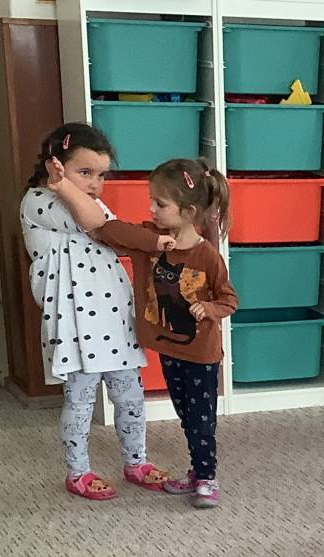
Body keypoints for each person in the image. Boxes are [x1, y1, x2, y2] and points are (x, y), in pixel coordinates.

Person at [52, 156, 239, 509]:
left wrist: (209, 308)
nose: (151, 208)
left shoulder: (207, 257)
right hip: (170, 349)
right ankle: (197, 473)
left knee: (201, 419)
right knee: (186, 415)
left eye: (160, 204)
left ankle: (207, 477)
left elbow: (229, 299)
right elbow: (110, 230)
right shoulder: (150, 239)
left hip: (200, 353)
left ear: (187, 212)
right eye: (151, 200)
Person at [20, 122, 171, 501]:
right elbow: (96, 223)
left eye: (101, 175)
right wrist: (60, 186)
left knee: (130, 397)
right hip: (75, 323)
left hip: (114, 318)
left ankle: (136, 461)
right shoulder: (38, 201)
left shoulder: (86, 202)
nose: (94, 183)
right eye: (85, 172)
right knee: (80, 401)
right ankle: (78, 472)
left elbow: (109, 230)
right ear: (54, 166)